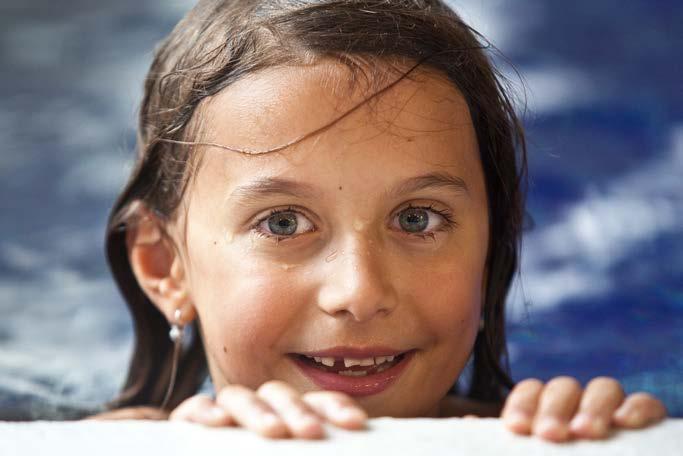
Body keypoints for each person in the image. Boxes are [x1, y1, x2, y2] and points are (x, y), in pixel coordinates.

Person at [87, 0, 667, 441]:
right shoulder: (119, 444)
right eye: (282, 223)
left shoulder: (534, 433)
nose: (359, 294)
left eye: (417, 219)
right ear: (165, 265)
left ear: (490, 246)